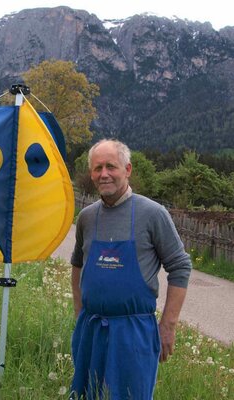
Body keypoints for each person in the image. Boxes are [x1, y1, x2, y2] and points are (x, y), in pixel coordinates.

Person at [69, 139, 191, 400]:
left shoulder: (153, 214)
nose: (103, 174)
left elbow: (180, 266)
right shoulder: (87, 217)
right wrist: (80, 314)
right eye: (97, 168)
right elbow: (77, 264)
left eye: (110, 166)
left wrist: (168, 325)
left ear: (128, 169)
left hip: (133, 334)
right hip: (91, 331)